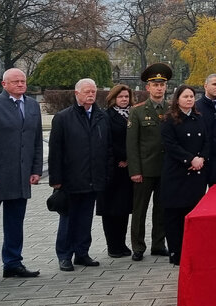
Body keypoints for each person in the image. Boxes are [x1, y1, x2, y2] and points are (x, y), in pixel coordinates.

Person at [0, 68, 44, 286]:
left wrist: (36, 169)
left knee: (15, 222)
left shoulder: (32, 105)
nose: (21, 84)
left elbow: (36, 140)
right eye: (16, 81)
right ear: (4, 84)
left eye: (23, 81)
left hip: (21, 175)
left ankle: (13, 262)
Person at [48, 78, 111, 272]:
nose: (91, 94)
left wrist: (106, 173)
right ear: (77, 94)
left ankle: (82, 252)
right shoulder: (63, 117)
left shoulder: (102, 117)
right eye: (87, 91)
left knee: (85, 218)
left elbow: (107, 148)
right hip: (70, 178)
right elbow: (55, 151)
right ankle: (64, 255)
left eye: (93, 91)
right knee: (68, 218)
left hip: (93, 177)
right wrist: (56, 180)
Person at [127, 62, 172, 261]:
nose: (159, 88)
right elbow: (132, 144)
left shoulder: (172, 109)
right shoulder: (137, 111)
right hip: (144, 169)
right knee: (140, 210)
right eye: (155, 84)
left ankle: (158, 243)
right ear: (148, 88)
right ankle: (138, 246)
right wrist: (135, 170)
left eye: (162, 84)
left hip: (165, 169)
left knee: (162, 208)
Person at [160, 84, 209, 265]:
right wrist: (190, 160)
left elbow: (207, 141)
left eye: (191, 96)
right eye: (185, 96)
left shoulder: (199, 118)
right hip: (176, 174)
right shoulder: (169, 120)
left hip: (196, 175)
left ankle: (193, 251)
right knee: (174, 215)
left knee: (193, 213)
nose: (189, 99)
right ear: (177, 99)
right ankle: (176, 252)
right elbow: (170, 145)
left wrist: (202, 158)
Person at [98, 84, 134, 257]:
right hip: (113, 168)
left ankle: (122, 242)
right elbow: (106, 141)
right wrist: (121, 158)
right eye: (120, 97)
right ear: (113, 98)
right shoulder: (106, 116)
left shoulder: (132, 114)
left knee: (124, 208)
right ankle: (112, 245)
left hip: (129, 168)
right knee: (111, 209)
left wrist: (130, 159)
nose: (124, 100)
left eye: (126, 97)